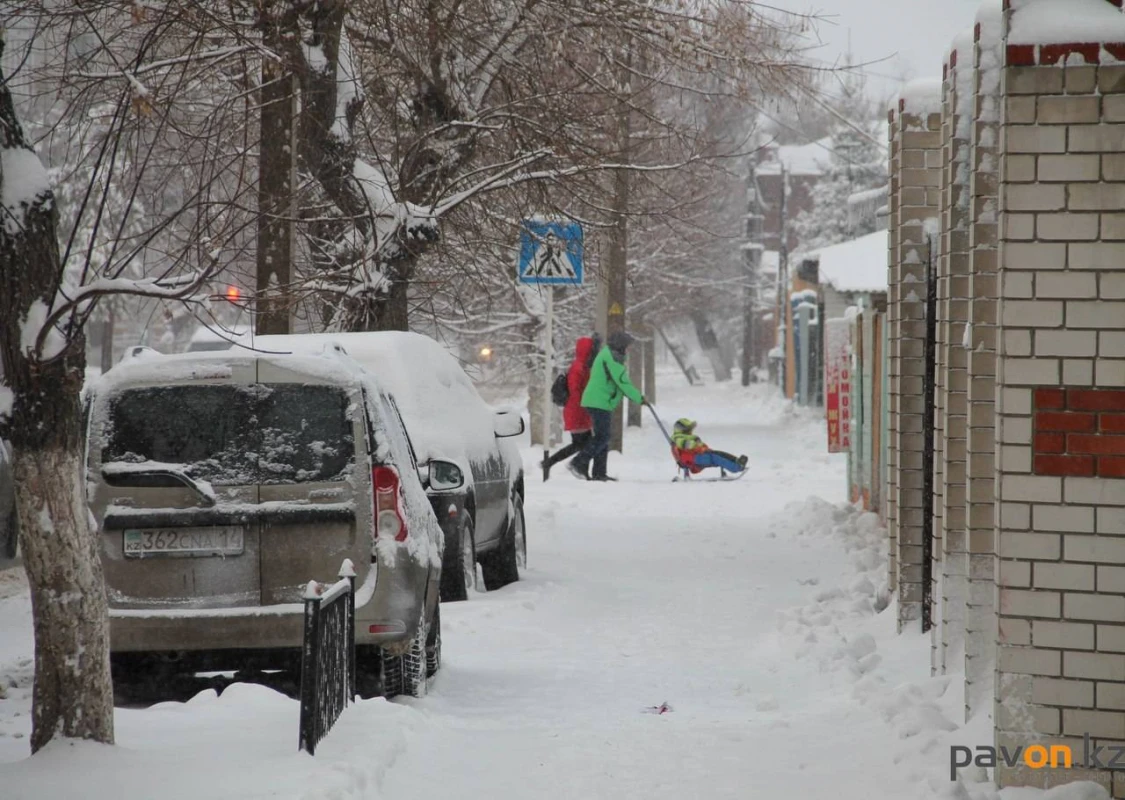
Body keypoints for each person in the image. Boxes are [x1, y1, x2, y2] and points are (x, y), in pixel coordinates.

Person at [568, 331, 644, 482]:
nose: (628, 349)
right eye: (627, 345)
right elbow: (622, 382)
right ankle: (577, 462)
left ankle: (599, 473)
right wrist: (639, 398)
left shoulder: (608, 355)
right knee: (603, 437)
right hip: (598, 401)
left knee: (602, 437)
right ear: (620, 345)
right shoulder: (612, 358)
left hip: (600, 401)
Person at [541, 333, 601, 481]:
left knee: (582, 444)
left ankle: (556, 464)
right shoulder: (579, 368)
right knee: (582, 444)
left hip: (580, 410)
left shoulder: (583, 367)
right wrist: (586, 405)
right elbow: (576, 391)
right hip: (577, 411)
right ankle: (557, 463)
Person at [671, 418, 748, 474]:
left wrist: (703, 448)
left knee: (718, 453)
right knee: (715, 458)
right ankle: (736, 467)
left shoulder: (690, 437)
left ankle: (737, 461)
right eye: (688, 430)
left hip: (698, 455)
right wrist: (698, 445)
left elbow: (700, 445)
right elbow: (688, 445)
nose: (690, 431)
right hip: (692, 458)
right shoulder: (678, 438)